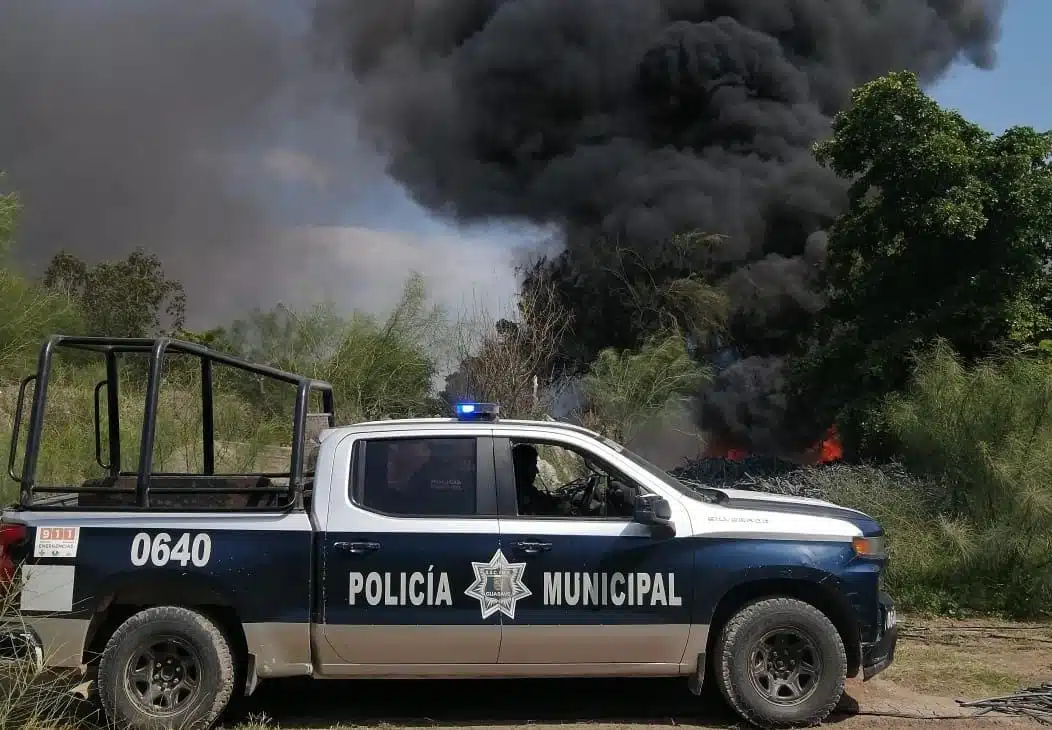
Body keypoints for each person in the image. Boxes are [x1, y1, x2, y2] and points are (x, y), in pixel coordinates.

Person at [512, 443, 567, 516]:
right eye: (534, 465)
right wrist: (562, 505)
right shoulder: (523, 492)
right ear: (524, 467)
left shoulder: (513, 488)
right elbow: (543, 504)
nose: (537, 470)